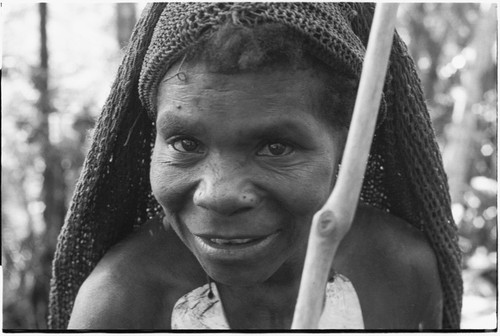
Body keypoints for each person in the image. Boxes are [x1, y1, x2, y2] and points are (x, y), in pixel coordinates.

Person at [48, 3, 463, 330]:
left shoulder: (399, 270)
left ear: (348, 146)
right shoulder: (121, 304)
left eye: (276, 147)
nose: (219, 194)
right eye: (186, 143)